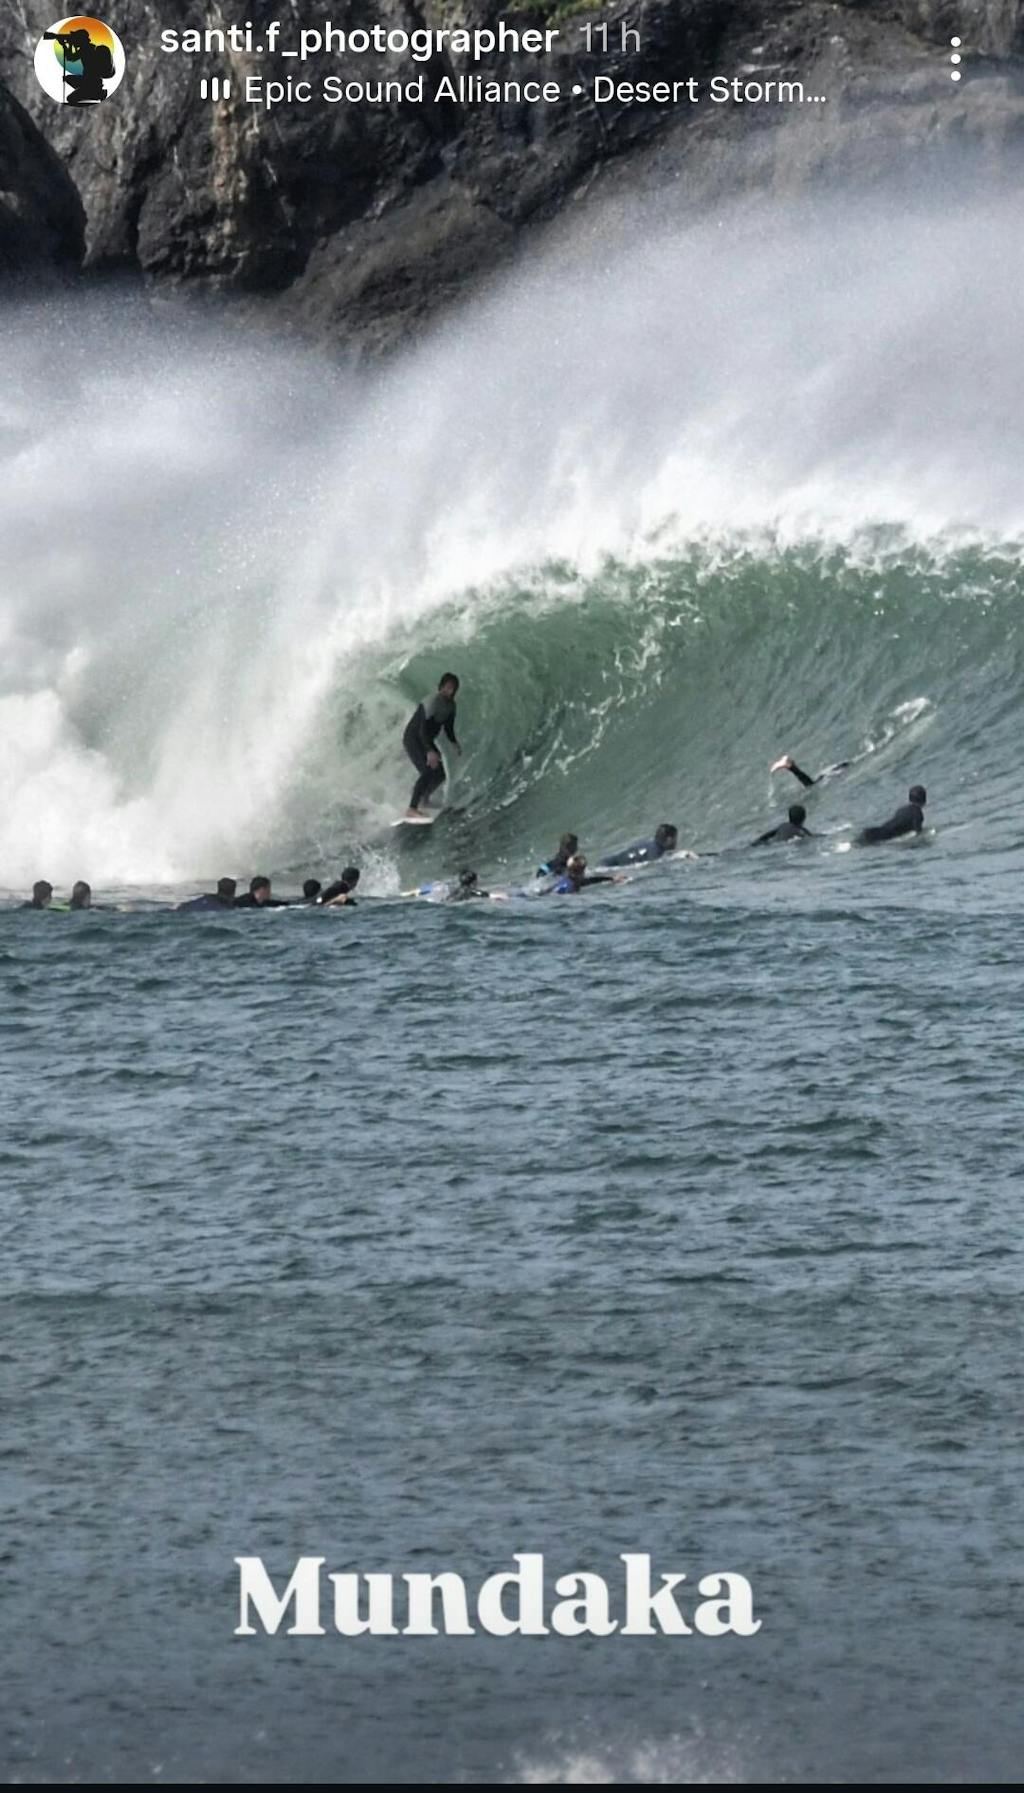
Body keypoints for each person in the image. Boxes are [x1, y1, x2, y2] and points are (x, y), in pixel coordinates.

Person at [403, 673, 461, 818]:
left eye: (453, 689)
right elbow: (421, 730)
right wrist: (429, 751)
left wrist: (454, 743)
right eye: (448, 687)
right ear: (441, 687)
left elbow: (448, 728)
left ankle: (424, 799)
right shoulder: (432, 701)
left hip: (426, 740)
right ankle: (412, 808)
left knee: (440, 774)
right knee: (428, 770)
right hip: (413, 738)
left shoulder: (451, 706)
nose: (450, 691)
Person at [857, 785, 927, 845]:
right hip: (880, 837)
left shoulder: (901, 809)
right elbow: (918, 834)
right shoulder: (917, 814)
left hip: (873, 832)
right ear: (924, 800)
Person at [600, 823, 679, 867]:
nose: (676, 842)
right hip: (612, 867)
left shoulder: (648, 843)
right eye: (675, 838)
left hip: (607, 862)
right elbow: (651, 866)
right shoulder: (656, 850)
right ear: (669, 839)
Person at [771, 753, 850, 789]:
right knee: (810, 784)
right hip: (826, 776)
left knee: (809, 783)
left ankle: (790, 765)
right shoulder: (845, 766)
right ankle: (790, 766)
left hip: (825, 775)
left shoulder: (843, 765)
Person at [550, 854, 621, 894]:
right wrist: (612, 879)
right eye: (583, 868)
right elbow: (593, 880)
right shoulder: (576, 882)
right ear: (581, 870)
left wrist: (611, 879)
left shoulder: (566, 878)